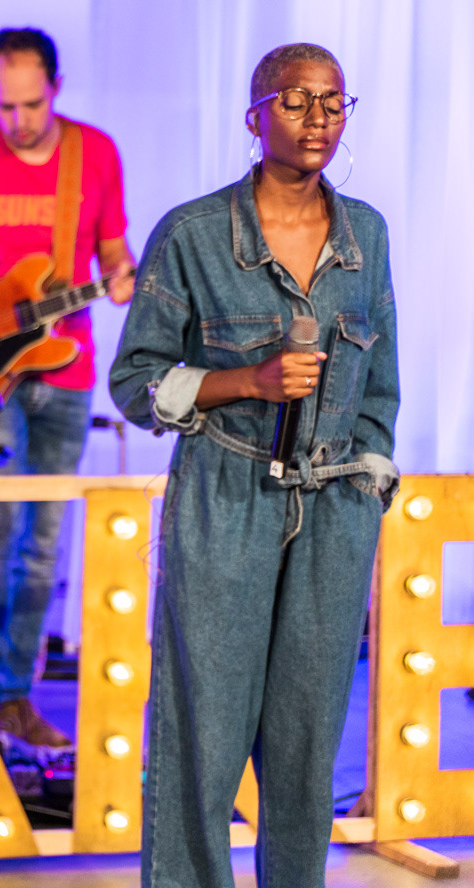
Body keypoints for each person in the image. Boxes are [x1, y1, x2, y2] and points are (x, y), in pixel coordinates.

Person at [110, 43, 398, 888]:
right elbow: (134, 383)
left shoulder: (367, 234)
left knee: (308, 743)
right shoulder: (194, 234)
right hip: (224, 496)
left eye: (334, 102)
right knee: (204, 732)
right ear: (255, 115)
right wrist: (248, 381)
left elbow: (380, 382)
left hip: (333, 507)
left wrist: (367, 481)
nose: (318, 119)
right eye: (296, 100)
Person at [0, 27, 134, 748]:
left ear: (57, 88)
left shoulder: (95, 154)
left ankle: (15, 697)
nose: (18, 120)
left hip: (67, 369)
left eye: (32, 104)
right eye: (4, 106)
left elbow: (114, 254)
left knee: (42, 541)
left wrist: (128, 278)